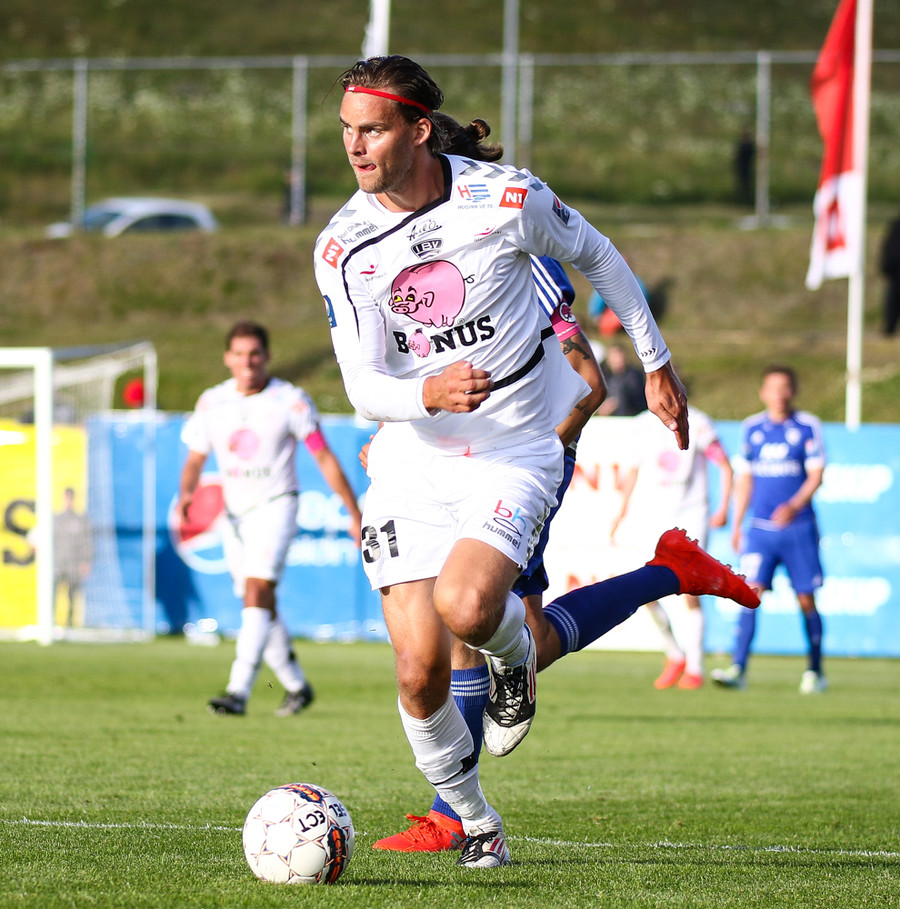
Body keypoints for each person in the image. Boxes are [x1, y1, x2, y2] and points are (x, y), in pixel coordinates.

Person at [313, 56, 758, 868]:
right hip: (413, 456)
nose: (354, 145)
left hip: (516, 448)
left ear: (418, 130)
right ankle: (473, 819)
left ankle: (514, 667)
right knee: (417, 672)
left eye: (371, 129)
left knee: (470, 610)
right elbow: (361, 384)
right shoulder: (344, 246)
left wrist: (656, 363)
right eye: (346, 129)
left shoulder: (507, 202)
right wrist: (425, 395)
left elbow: (601, 260)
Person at [178, 321, 363, 717]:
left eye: (255, 354)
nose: (248, 362)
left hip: (277, 505)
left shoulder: (291, 401)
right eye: (240, 354)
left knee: (257, 589)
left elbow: (323, 455)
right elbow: (195, 457)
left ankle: (238, 690)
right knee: (259, 601)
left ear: (267, 356)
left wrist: (354, 512)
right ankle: (297, 685)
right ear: (228, 358)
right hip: (234, 515)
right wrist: (187, 493)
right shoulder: (212, 402)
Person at [711, 365, 826, 694]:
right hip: (760, 530)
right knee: (750, 594)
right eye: (773, 388)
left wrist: (794, 505)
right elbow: (745, 479)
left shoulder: (807, 426)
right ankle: (738, 668)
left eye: (785, 387)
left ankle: (815, 671)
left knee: (806, 599)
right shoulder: (752, 428)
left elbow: (816, 475)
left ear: (794, 391)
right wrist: (737, 524)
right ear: (763, 393)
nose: (779, 394)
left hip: (798, 529)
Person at [609, 406, 733, 689]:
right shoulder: (642, 425)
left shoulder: (699, 423)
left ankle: (695, 667)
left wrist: (724, 506)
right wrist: (620, 513)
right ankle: (675, 654)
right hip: (652, 518)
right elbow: (632, 472)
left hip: (691, 517)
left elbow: (724, 465)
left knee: (690, 590)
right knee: (643, 591)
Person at [54, 487, 93, 627]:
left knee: (72, 595)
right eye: (66, 498)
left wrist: (86, 561)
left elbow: (87, 542)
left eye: (70, 498)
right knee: (53, 593)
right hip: (58, 563)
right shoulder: (56, 519)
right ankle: (51, 622)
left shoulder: (80, 520)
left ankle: (70, 623)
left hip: (73, 564)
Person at [598, 342, 648, 416]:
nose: (618, 360)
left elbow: (639, 400)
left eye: (619, 356)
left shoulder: (634, 376)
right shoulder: (602, 376)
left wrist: (618, 401)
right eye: (614, 357)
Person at [879, 211, 900, 336]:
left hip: (895, 272)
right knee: (893, 302)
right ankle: (889, 329)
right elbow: (890, 249)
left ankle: (889, 329)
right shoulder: (896, 226)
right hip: (896, 273)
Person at [734, 129, 756, 207]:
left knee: (746, 185)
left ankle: (746, 201)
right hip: (742, 167)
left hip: (745, 167)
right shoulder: (744, 145)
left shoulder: (745, 145)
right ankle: (743, 201)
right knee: (743, 185)